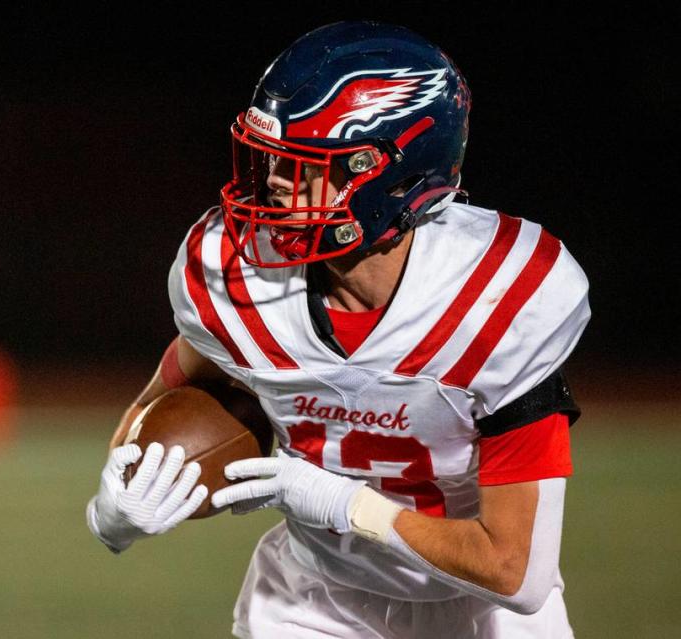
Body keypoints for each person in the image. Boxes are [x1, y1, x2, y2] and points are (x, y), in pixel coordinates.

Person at [86, 21, 590, 639]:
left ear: (389, 176)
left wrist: (350, 506)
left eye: (304, 165)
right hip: (313, 602)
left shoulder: (500, 298)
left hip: (481, 608)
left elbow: (516, 574)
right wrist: (118, 503)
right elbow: (156, 407)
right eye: (271, 157)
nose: (271, 181)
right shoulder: (236, 282)